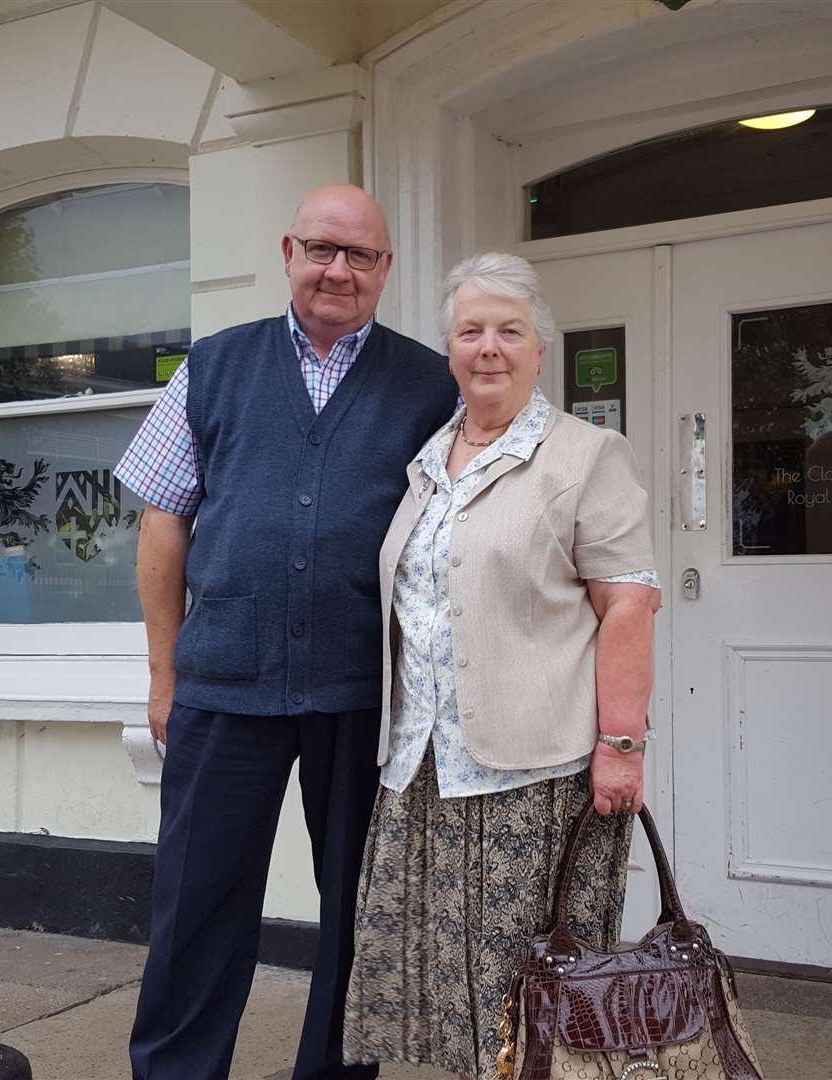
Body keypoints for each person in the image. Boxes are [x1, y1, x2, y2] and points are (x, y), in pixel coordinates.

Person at [115, 184, 457, 1080]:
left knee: (357, 910)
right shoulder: (215, 365)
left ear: (387, 270)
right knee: (196, 905)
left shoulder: (428, 384)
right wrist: (164, 675)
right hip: (223, 686)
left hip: (364, 696)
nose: (338, 271)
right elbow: (162, 529)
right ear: (288, 252)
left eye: (361, 256)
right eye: (322, 249)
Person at [341, 253, 661, 1078]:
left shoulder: (587, 455)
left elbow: (627, 604)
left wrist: (621, 745)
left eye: (509, 331)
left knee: (538, 998)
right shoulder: (427, 460)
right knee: (450, 998)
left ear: (539, 349)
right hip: (423, 771)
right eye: (471, 330)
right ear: (448, 349)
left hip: (535, 778)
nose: (489, 347)